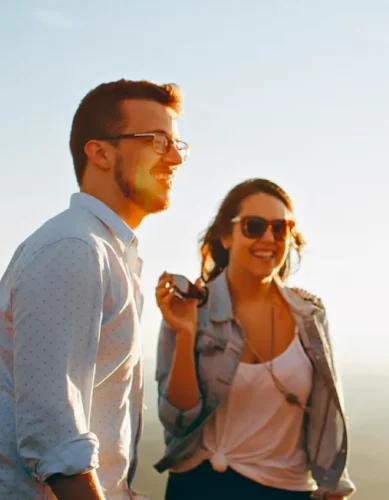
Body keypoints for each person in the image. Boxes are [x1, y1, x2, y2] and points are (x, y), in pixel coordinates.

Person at [0, 79, 187, 499]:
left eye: (177, 145)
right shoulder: (74, 248)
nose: (175, 157)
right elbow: (56, 440)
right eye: (158, 141)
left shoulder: (110, 254)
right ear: (100, 152)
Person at [153, 178, 354, 500]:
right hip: (197, 488)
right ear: (225, 235)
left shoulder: (310, 316)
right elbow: (178, 420)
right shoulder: (190, 308)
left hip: (286, 491)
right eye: (254, 226)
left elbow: (325, 414)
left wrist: (333, 487)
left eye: (281, 228)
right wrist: (185, 333)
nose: (269, 238)